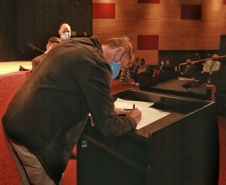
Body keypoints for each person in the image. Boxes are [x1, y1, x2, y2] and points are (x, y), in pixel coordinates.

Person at [2, 36, 141, 185]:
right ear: (118, 51)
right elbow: (108, 127)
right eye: (120, 64)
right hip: (36, 138)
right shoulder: (98, 64)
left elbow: (67, 88)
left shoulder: (74, 45)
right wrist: (132, 119)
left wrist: (107, 108)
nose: (117, 70)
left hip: (14, 121)